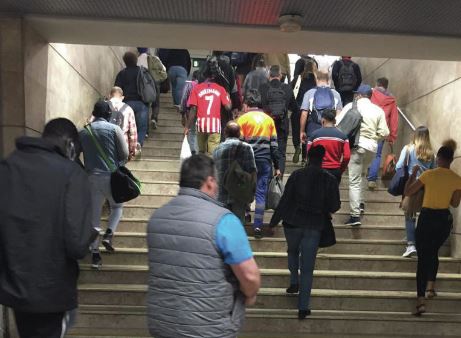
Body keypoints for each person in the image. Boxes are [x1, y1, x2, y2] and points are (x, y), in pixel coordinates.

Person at [0, 118, 97, 338]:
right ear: (71, 145)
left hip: (15, 287)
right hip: (53, 290)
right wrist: (89, 235)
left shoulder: (7, 167)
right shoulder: (71, 174)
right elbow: (76, 244)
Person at [147, 154, 261, 338]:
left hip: (162, 324)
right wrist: (250, 294)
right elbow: (249, 276)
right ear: (209, 182)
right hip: (208, 328)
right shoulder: (224, 220)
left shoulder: (157, 218)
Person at [269, 145, 341, 319]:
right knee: (308, 268)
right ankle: (303, 307)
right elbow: (335, 205)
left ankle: (294, 281)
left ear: (308, 157)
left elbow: (285, 200)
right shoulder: (329, 179)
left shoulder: (297, 175)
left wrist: (273, 222)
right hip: (314, 225)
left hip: (292, 222)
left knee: (292, 251)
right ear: (323, 159)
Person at [404, 140, 461, 316]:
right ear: (451, 160)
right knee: (433, 252)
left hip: (427, 219)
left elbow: (408, 191)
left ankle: (420, 300)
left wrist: (413, 174)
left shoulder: (428, 175)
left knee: (423, 258)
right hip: (443, 220)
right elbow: (455, 203)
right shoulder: (457, 179)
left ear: (438, 158)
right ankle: (431, 287)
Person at [80, 101, 129, 269]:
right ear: (109, 114)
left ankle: (95, 255)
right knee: (117, 208)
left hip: (92, 178)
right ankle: (109, 234)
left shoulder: (84, 131)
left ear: (94, 112)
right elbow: (125, 153)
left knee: (94, 217)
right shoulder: (115, 129)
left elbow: (75, 153)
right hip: (112, 177)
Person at [338, 85, 389, 226]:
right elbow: (385, 133)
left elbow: (338, 123)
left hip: (356, 147)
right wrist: (373, 137)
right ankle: (360, 204)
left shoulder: (351, 106)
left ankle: (355, 216)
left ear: (359, 95)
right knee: (362, 176)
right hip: (371, 149)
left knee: (354, 180)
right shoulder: (378, 110)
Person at [237, 89, 281, 239]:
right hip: (264, 161)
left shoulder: (242, 120)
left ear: (247, 104)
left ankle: (246, 215)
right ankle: (257, 226)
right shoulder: (269, 120)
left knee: (244, 190)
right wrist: (277, 166)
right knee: (261, 193)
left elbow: (238, 143)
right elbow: (274, 146)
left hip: (246, 161)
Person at [397, 126, 436, 257]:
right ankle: (416, 239)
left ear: (415, 135)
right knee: (423, 216)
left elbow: (398, 166)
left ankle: (411, 245)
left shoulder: (408, 149)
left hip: (412, 186)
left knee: (410, 216)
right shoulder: (431, 153)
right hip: (427, 187)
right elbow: (434, 171)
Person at [213, 121, 257, 222]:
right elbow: (252, 171)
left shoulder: (216, 149)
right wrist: (251, 192)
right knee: (237, 226)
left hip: (221, 195)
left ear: (225, 133)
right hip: (239, 195)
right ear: (239, 133)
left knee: (223, 226)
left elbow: (214, 174)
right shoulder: (246, 147)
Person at [260, 65, 300, 175]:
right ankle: (278, 182)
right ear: (280, 75)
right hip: (282, 125)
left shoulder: (262, 88)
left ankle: (267, 180)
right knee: (281, 154)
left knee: (266, 153)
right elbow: (295, 108)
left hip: (266, 126)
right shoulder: (287, 88)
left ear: (269, 75)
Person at [185, 67, 232, 156]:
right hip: (214, 125)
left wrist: (187, 127)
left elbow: (193, 109)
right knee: (213, 153)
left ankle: (201, 167)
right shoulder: (221, 89)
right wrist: (228, 98)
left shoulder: (196, 89)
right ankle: (211, 168)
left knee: (201, 152)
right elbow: (228, 107)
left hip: (201, 125)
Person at [300, 71, 343, 166]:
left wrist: (302, 131)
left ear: (316, 79)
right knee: (328, 155)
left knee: (312, 156)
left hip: (313, 128)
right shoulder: (336, 94)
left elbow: (304, 113)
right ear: (329, 80)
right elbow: (339, 114)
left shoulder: (309, 93)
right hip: (330, 128)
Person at [367, 77, 399, 190]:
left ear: (377, 84)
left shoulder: (370, 93)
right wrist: (392, 136)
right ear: (386, 86)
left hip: (367, 126)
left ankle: (358, 174)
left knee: (360, 150)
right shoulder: (391, 100)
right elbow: (394, 120)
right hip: (381, 130)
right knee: (377, 155)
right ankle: (371, 179)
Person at [114, 51, 149, 146]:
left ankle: (125, 146)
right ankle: (138, 143)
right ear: (136, 60)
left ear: (125, 61)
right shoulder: (143, 72)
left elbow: (117, 90)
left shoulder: (121, 74)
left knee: (125, 127)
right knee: (141, 127)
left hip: (126, 104)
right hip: (141, 103)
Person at [307, 109, 351, 184]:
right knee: (333, 194)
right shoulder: (343, 137)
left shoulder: (314, 135)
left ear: (322, 120)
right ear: (335, 121)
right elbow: (347, 156)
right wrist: (341, 169)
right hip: (335, 171)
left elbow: (309, 153)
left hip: (318, 169)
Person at [291, 55, 318, 163]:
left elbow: (290, 92)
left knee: (296, 132)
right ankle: (304, 158)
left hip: (297, 110)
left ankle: (297, 145)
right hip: (309, 112)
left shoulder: (298, 78)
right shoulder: (316, 81)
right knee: (306, 133)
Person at [137, 47, 166, 130]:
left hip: (144, 85)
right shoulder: (155, 58)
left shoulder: (137, 60)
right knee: (156, 103)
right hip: (155, 82)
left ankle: (145, 128)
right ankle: (154, 118)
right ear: (148, 50)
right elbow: (163, 69)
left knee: (145, 105)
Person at [108, 86, 139, 159]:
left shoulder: (103, 105)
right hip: (121, 144)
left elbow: (90, 122)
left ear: (109, 95)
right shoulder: (128, 109)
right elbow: (133, 133)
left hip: (105, 143)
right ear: (122, 97)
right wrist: (132, 150)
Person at [180, 70, 199, 154]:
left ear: (193, 77)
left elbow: (184, 98)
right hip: (202, 111)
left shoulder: (190, 84)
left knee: (192, 131)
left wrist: (182, 112)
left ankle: (193, 150)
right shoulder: (203, 85)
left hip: (190, 110)